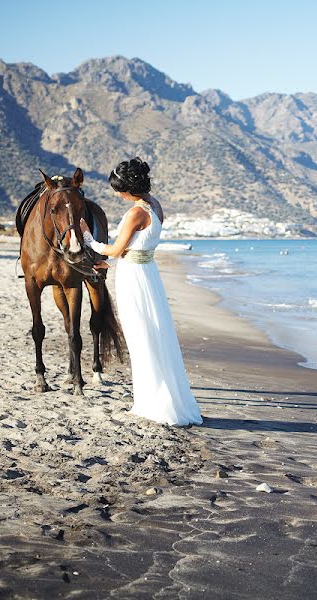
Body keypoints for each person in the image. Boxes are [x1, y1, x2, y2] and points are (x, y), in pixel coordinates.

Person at [80, 157, 202, 426]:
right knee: (154, 335)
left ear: (127, 189)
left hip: (134, 280)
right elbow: (139, 248)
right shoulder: (156, 206)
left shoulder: (136, 212)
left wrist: (89, 239)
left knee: (141, 337)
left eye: (117, 188)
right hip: (147, 274)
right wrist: (110, 262)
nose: (115, 193)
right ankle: (158, 398)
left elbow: (116, 248)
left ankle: (153, 404)